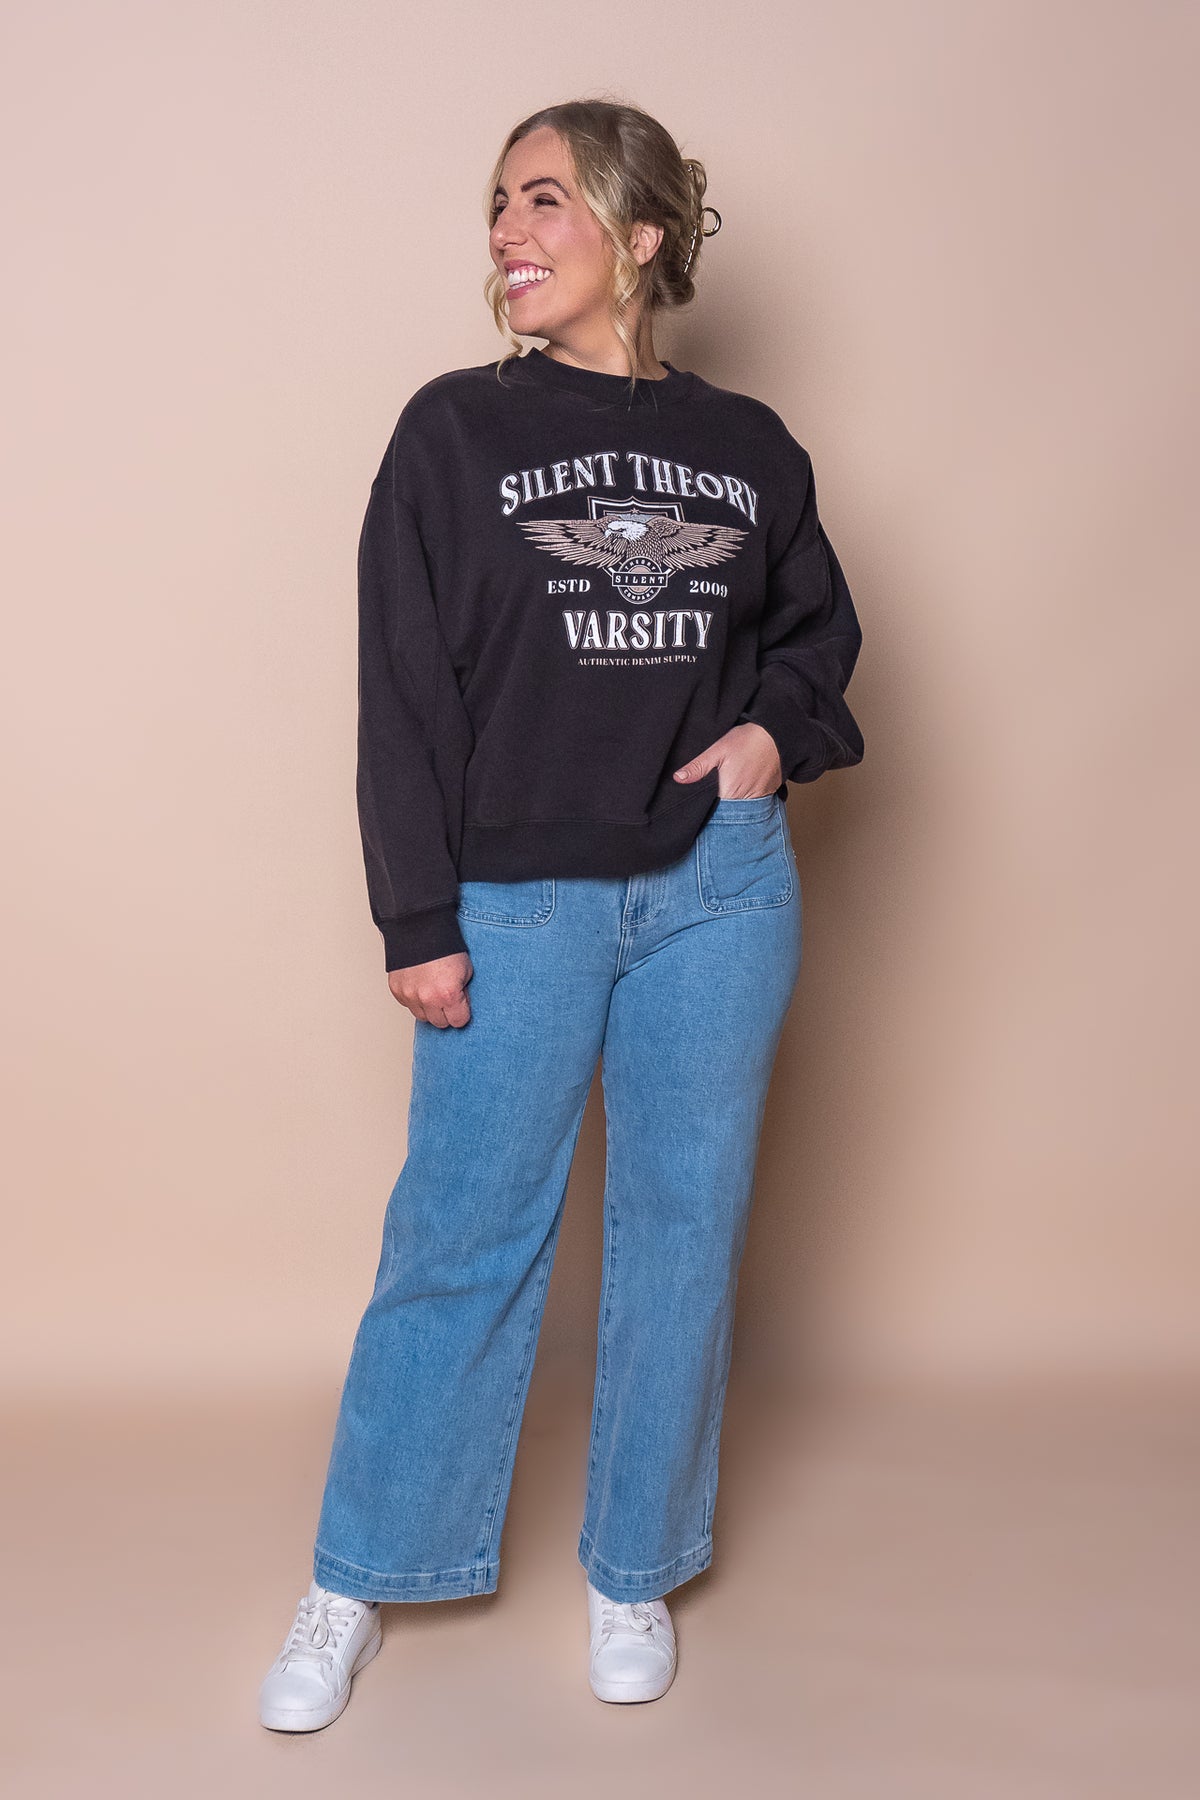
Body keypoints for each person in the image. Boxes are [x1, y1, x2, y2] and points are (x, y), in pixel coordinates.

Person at [258, 97, 865, 1732]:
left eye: (545, 200)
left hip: (715, 891)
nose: (507, 233)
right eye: (499, 205)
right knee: (460, 1238)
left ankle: (632, 1567)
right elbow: (402, 690)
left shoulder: (750, 447)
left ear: (639, 233)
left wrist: (772, 737)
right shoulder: (454, 432)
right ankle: (358, 1576)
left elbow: (818, 636)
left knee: (683, 1235)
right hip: (515, 898)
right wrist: (416, 918)